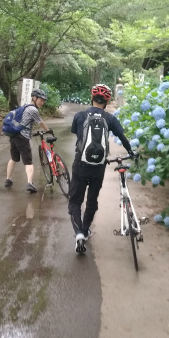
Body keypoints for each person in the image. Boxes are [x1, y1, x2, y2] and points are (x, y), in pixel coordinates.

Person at [68, 83, 133, 253]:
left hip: (80, 164)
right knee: (92, 200)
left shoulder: (80, 115)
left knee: (75, 200)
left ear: (91, 98)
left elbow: (76, 133)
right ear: (107, 100)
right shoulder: (110, 118)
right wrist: (131, 152)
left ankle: (79, 234)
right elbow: (123, 138)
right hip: (98, 167)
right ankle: (85, 229)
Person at [5, 88, 52, 193]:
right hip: (22, 137)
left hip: (14, 136)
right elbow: (40, 122)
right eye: (41, 100)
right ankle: (30, 183)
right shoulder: (33, 110)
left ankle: (8, 179)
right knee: (28, 161)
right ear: (34, 98)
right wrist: (48, 130)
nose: (43, 102)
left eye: (44, 100)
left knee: (13, 158)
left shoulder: (25, 106)